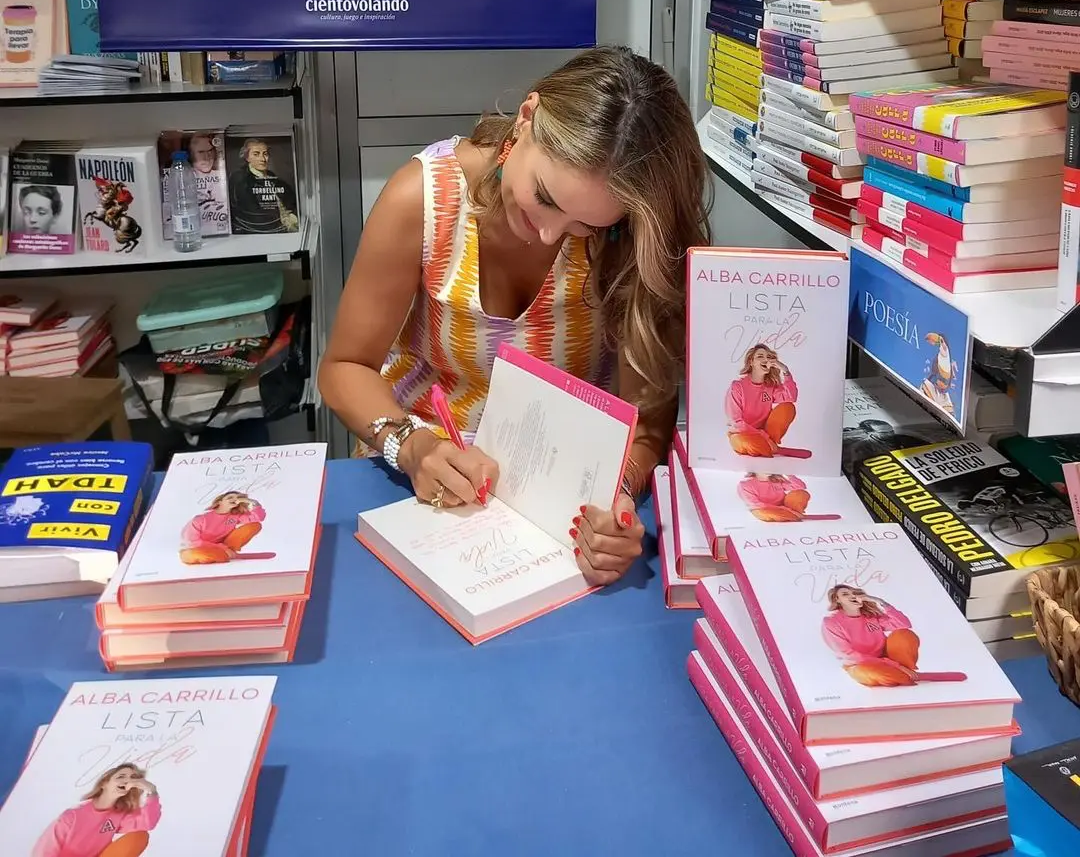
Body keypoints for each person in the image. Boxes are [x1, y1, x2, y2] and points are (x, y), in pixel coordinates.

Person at [320, 46, 711, 587]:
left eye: (586, 226)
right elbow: (344, 367)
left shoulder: (628, 237)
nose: (550, 233)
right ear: (526, 118)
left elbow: (647, 417)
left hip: (559, 502)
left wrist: (618, 497)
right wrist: (410, 446)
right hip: (420, 476)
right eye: (544, 197)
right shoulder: (423, 198)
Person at [32, 764, 160, 857]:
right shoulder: (73, 815)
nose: (128, 780)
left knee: (139, 836)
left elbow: (147, 823)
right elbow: (44, 851)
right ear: (104, 783)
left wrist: (151, 791)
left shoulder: (118, 815)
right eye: (121, 776)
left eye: (133, 778)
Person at [821, 584, 921, 687]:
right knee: (878, 673)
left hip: (887, 659)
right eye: (845, 594)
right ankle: (903, 675)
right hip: (859, 664)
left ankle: (905, 673)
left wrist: (880, 601)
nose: (852, 596)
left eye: (855, 593)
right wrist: (895, 665)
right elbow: (848, 654)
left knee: (903, 635)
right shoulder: (832, 622)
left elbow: (904, 624)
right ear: (837, 599)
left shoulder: (870, 616)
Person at [724, 343, 798, 456]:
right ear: (751, 362)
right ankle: (769, 447)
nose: (765, 359)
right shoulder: (737, 387)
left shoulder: (770, 386)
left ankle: (768, 446)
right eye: (760, 356)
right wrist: (764, 437)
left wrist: (785, 371)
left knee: (787, 407)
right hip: (741, 433)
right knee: (752, 443)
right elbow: (736, 422)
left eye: (768, 357)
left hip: (765, 433)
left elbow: (791, 397)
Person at [179, 490, 269, 565]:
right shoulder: (200, 519)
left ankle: (224, 555)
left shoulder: (235, 516)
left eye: (238, 498)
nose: (234, 499)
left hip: (224, 547)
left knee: (254, 525)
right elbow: (192, 542)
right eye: (230, 497)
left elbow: (258, 518)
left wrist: (253, 502)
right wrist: (223, 549)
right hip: (195, 547)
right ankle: (221, 555)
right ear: (220, 502)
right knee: (193, 554)